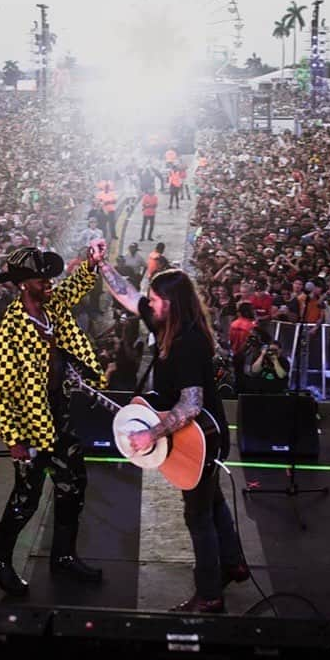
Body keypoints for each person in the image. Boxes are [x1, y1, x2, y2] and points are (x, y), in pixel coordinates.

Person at [96, 247, 247, 613]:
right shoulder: (165, 322)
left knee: (197, 515)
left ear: (172, 305)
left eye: (157, 298)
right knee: (212, 501)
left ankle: (209, 593)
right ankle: (234, 562)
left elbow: (191, 405)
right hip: (203, 437)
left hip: (201, 438)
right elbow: (129, 296)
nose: (150, 302)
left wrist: (152, 434)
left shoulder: (187, 342)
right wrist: (101, 264)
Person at [0, 244, 108, 597]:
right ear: (24, 284)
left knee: (73, 487)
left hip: (61, 415)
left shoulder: (51, 306)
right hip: (30, 426)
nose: (50, 282)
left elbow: (73, 287)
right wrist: (12, 439)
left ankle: (64, 556)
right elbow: (1, 389)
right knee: (26, 500)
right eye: (43, 278)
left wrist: (90, 263)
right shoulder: (12, 329)